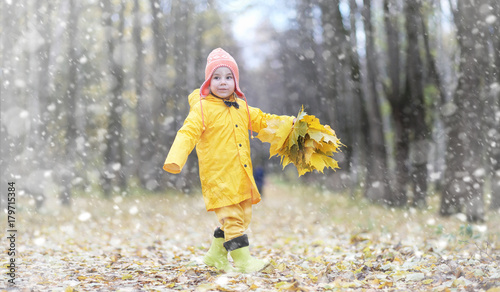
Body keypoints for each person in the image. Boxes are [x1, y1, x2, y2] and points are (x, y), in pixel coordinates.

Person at [163, 48, 294, 273]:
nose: (222, 82)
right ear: (208, 81)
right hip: (218, 177)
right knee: (232, 219)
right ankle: (244, 261)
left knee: (241, 218)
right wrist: (176, 158)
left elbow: (264, 121)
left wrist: (290, 125)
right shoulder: (203, 109)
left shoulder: (241, 107)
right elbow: (188, 132)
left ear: (236, 81)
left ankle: (216, 256)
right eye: (216, 77)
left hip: (241, 175)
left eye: (228, 77)